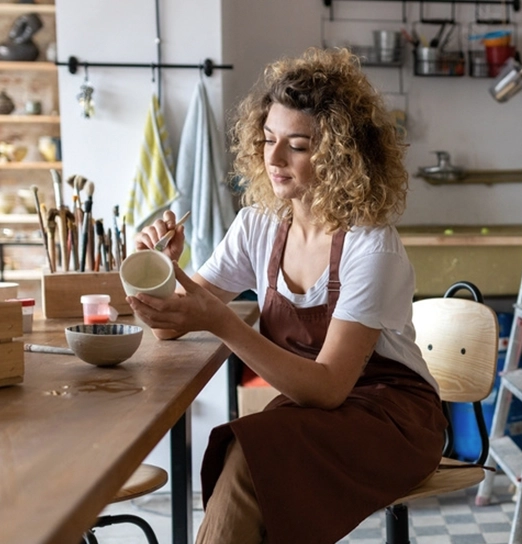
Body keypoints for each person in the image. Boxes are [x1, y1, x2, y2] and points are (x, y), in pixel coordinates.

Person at [127, 47, 447, 544]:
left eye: (296, 145)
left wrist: (223, 321)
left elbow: (328, 387)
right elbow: (168, 323)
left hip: (391, 418)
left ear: (340, 155)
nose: (273, 159)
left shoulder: (370, 246)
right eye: (269, 139)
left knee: (249, 458)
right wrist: (160, 271)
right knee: (246, 452)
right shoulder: (259, 224)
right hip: (314, 410)